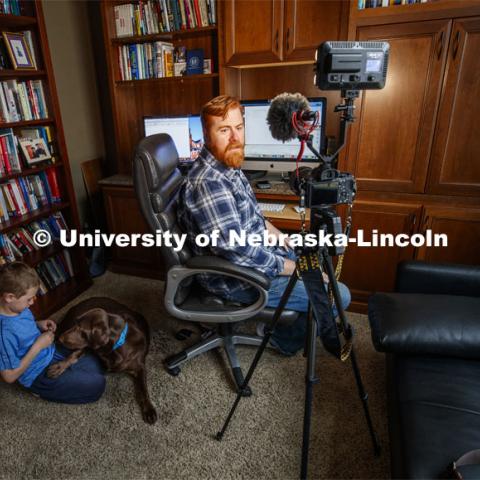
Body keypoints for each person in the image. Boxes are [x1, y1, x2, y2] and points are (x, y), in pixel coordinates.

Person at [177, 95, 351, 356]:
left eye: (239, 127)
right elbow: (237, 250)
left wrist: (283, 239)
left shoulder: (229, 165)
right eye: (224, 130)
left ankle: (288, 318)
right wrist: (292, 267)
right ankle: (281, 339)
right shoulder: (209, 183)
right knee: (340, 295)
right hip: (235, 277)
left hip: (255, 257)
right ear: (206, 133)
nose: (235, 137)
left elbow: (254, 216)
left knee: (316, 259)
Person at [0, 262, 105, 403]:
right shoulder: (3, 332)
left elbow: (22, 328)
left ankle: (70, 373)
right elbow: (9, 377)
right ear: (9, 297)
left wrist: (38, 324)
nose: (32, 302)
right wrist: (38, 346)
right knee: (97, 385)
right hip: (37, 374)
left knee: (96, 358)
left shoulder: (17, 307)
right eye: (29, 299)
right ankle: (40, 391)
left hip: (50, 351)